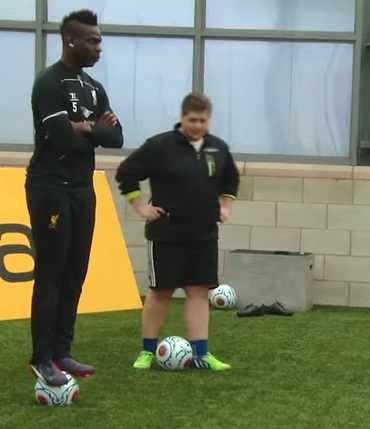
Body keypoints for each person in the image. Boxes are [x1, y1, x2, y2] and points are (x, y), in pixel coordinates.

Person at [25, 9, 123, 387]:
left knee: (75, 273)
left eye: (100, 41)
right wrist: (93, 130)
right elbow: (63, 138)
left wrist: (85, 127)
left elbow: (116, 138)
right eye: (92, 41)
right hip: (50, 188)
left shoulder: (93, 88)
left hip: (83, 189)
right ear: (71, 40)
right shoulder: (48, 83)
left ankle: (61, 351)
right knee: (51, 273)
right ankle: (41, 358)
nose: (99, 47)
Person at [115, 92, 239, 372]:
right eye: (192, 120)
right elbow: (126, 172)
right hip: (167, 233)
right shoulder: (160, 146)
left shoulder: (217, 148)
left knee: (198, 291)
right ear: (182, 118)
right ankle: (147, 351)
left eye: (203, 121)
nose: (197, 126)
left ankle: (202, 354)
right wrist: (140, 207)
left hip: (204, 234)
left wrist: (226, 206)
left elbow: (230, 179)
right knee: (161, 291)